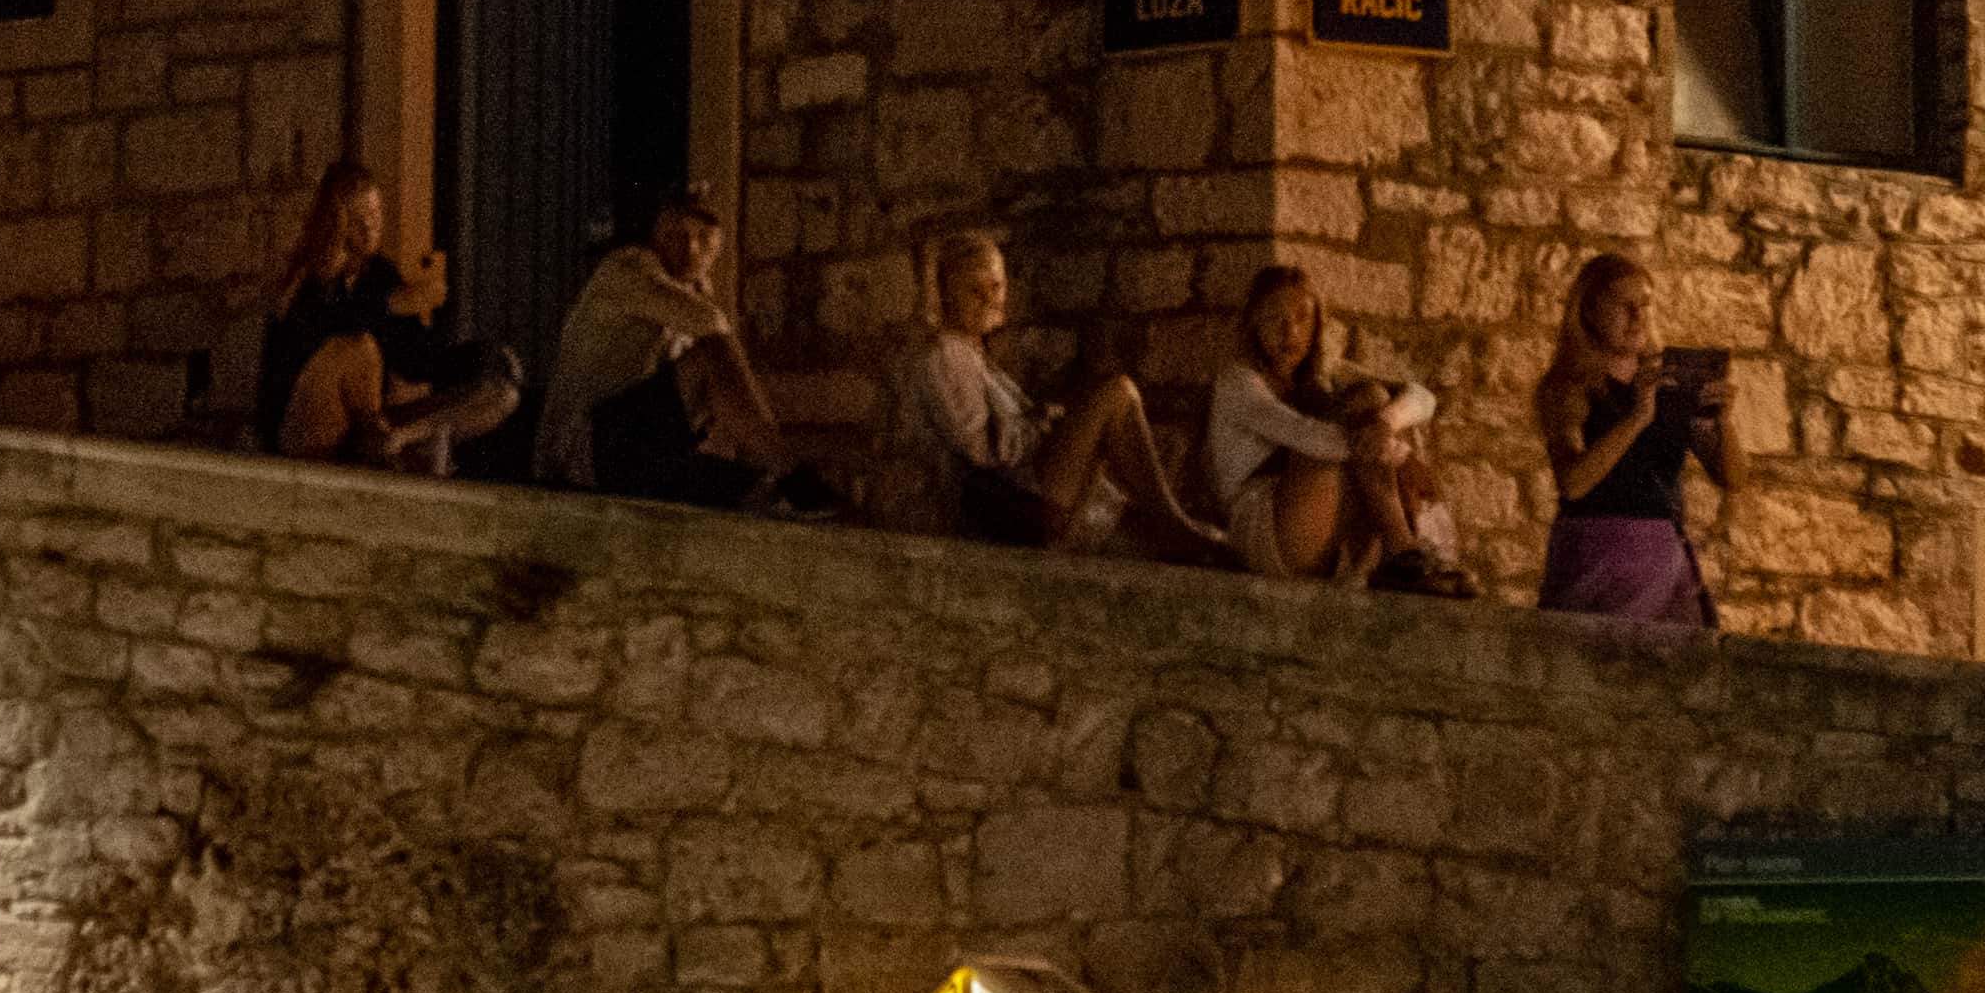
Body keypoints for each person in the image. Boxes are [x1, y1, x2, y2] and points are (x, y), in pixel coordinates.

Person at [874, 230, 1225, 560]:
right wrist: (1042, 425)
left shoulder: (973, 354)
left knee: (1146, 531)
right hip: (1015, 505)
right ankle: (1174, 522)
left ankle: (1171, 525)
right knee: (1117, 394)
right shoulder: (946, 356)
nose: (989, 299)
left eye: (996, 286)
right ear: (948, 294)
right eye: (974, 291)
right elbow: (983, 450)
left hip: (1028, 493)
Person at [535, 183, 818, 512]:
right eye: (675, 235)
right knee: (712, 354)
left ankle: (788, 482)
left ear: (720, 245)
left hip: (644, 450)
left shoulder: (688, 294)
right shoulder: (626, 269)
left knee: (758, 494)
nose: (690, 248)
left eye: (703, 237)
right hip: (584, 452)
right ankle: (789, 469)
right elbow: (711, 325)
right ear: (656, 235)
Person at [1201, 266, 1464, 593]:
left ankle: (1405, 555)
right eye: (1275, 318)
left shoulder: (1328, 374)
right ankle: (1405, 550)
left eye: (1302, 319)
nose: (1290, 331)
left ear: (1316, 326)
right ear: (1255, 322)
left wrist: (1385, 424)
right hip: (1270, 532)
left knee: (1379, 404)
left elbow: (1423, 398)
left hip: (1328, 532)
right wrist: (1398, 453)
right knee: (1367, 402)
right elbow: (1310, 439)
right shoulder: (1238, 383)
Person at [254, 162, 522, 469]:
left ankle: (402, 441)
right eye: (359, 218)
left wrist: (478, 357)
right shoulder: (309, 274)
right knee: (360, 349)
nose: (371, 226)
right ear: (338, 222)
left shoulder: (380, 274)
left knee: (500, 395)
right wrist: (389, 305)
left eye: (376, 214)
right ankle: (394, 446)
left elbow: (416, 361)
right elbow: (315, 332)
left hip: (367, 425)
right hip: (306, 424)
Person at [1525, 255, 1727, 628]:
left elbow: (1732, 477)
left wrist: (1723, 421)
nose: (1637, 317)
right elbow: (1573, 482)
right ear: (1589, 312)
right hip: (1600, 552)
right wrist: (1637, 418)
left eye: (1645, 305)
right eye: (1623, 305)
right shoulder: (1568, 388)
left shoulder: (1668, 384)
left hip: (1665, 552)